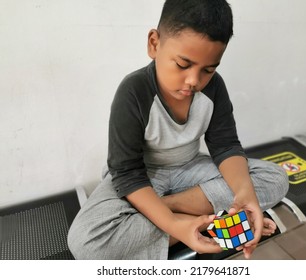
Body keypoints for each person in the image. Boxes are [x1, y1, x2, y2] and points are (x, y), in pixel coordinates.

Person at [67, 0, 289, 260]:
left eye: (208, 70)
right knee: (88, 242)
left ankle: (160, 211)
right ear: (154, 44)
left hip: (190, 169)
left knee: (275, 178)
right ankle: (206, 222)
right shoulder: (133, 91)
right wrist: (175, 226)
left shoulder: (215, 88)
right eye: (183, 65)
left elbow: (226, 146)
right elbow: (126, 171)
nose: (194, 81)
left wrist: (244, 195)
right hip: (143, 176)